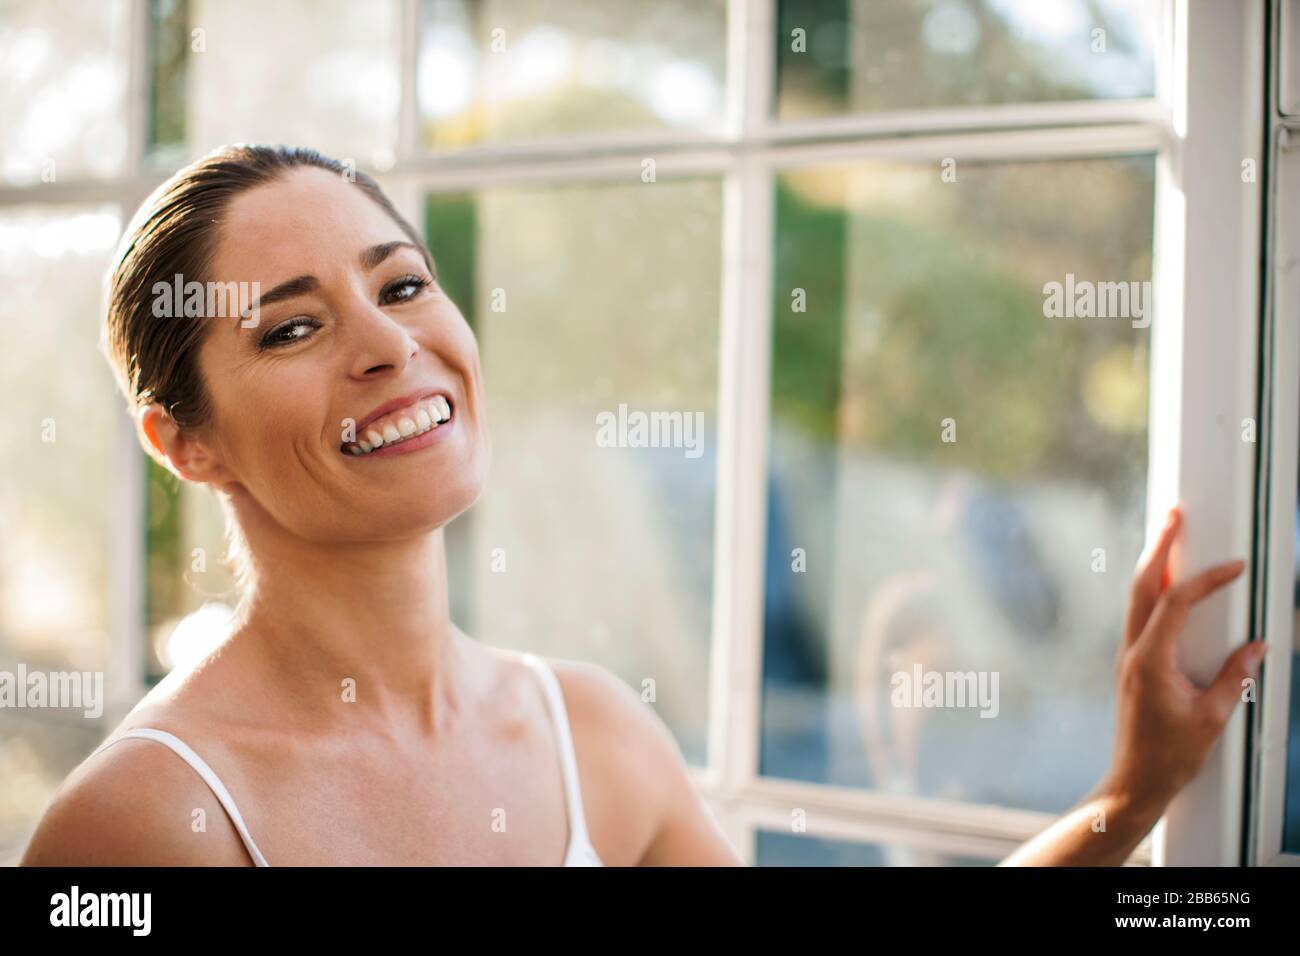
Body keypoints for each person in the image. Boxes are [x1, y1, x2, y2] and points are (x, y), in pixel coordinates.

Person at [20, 145, 1265, 866]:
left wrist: (1127, 799)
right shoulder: (147, 822)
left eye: (401, 285)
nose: (387, 344)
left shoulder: (591, 732)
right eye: (292, 325)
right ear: (184, 442)